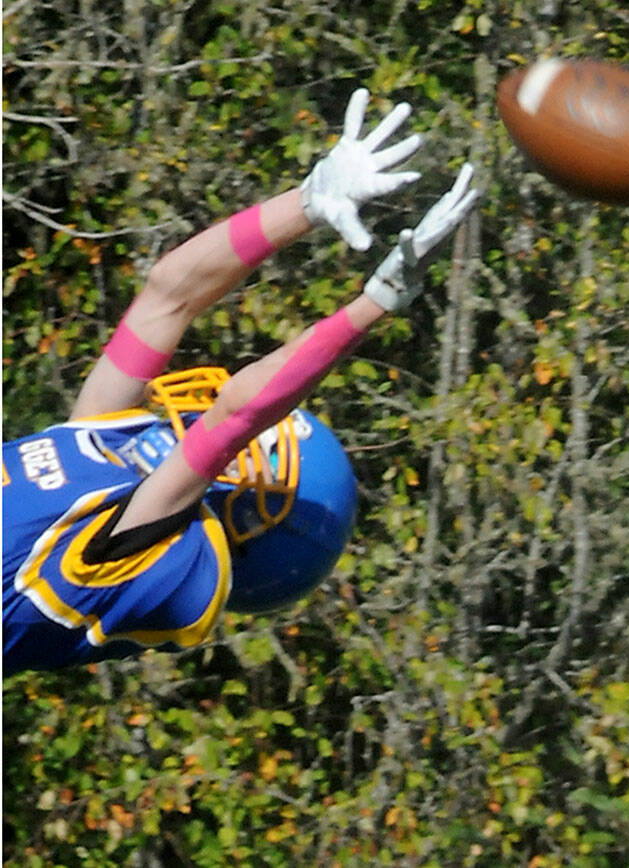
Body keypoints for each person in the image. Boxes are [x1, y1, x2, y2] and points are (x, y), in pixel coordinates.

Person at [3, 88, 480, 673]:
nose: (200, 425)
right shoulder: (104, 450)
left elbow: (238, 414)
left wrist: (373, 303)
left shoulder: (139, 556)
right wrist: (307, 202)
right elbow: (169, 295)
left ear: (253, 524)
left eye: (256, 454)